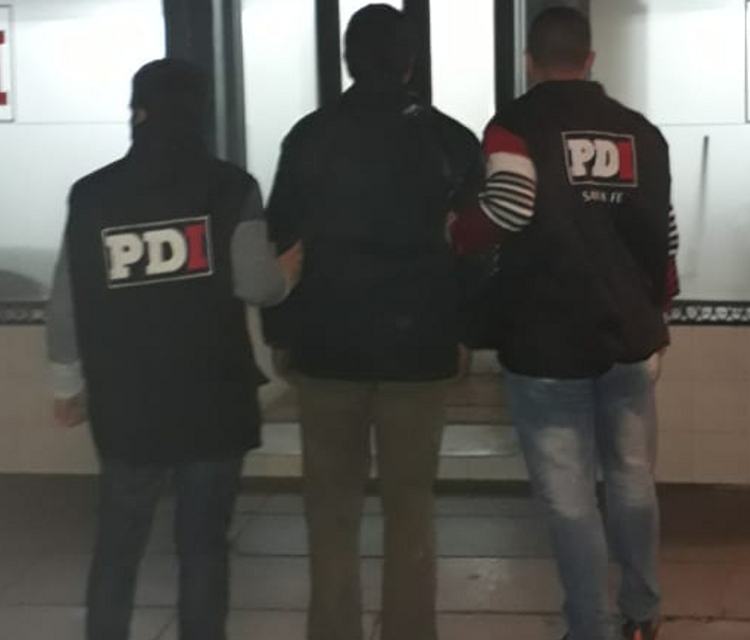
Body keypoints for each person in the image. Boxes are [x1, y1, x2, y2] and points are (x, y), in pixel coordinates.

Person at [46, 58, 303, 640]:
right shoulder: (231, 187)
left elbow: (65, 305)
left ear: (138, 112)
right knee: (203, 545)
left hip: (125, 400)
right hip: (212, 397)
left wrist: (67, 385)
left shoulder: (91, 195)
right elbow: (257, 286)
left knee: (118, 544)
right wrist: (286, 272)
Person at [449, 7, 680, 640]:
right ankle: (641, 613)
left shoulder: (515, 126)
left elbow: (510, 206)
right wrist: (658, 314)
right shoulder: (641, 134)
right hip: (629, 335)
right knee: (632, 480)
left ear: (529, 62)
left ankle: (589, 627)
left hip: (545, 340)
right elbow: (664, 235)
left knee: (569, 496)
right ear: (590, 60)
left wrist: (457, 231)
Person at [258, 5, 483, 640]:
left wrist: (281, 333)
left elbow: (282, 242)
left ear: (347, 60)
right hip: (419, 350)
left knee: (331, 511)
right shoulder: (449, 139)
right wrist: (465, 332)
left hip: (328, 346)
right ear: (410, 62)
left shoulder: (309, 136)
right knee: (411, 509)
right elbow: (474, 248)